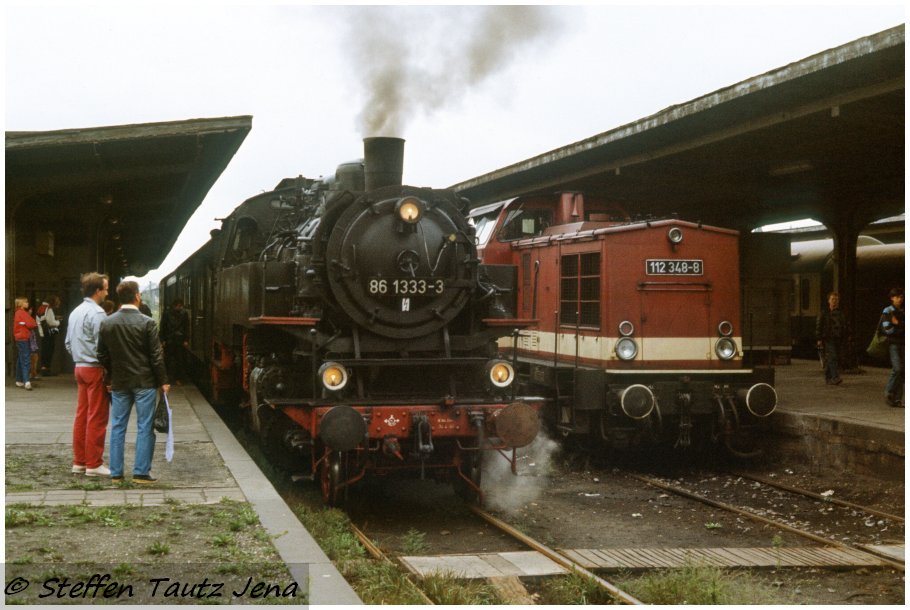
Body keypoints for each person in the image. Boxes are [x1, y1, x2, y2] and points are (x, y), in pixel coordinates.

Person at [98, 280, 170, 485]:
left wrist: (112, 373)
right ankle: (140, 473)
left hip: (120, 382)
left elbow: (101, 354)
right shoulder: (147, 322)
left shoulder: (107, 322)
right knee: (145, 426)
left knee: (118, 426)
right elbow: (156, 356)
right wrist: (163, 381)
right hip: (144, 382)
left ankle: (116, 474)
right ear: (137, 296)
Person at [64, 272, 111, 477]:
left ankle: (79, 461)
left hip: (79, 367)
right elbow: (105, 346)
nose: (107, 292)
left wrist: (79, 355)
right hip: (95, 368)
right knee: (97, 416)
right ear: (97, 290)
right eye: (106, 289)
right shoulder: (98, 313)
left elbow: (67, 343)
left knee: (81, 415)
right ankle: (94, 463)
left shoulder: (75, 311)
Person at [880, 287, 904, 408]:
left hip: (903, 344)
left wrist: (898, 324)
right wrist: (901, 328)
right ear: (892, 298)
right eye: (897, 297)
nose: (900, 299)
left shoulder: (903, 311)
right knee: (898, 368)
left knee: (903, 372)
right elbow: (887, 329)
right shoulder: (887, 311)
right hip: (893, 344)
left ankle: (897, 399)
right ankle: (889, 392)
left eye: (901, 297)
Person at [815, 291, 845, 385]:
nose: (835, 301)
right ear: (829, 301)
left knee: (831, 358)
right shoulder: (824, 313)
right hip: (828, 338)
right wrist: (819, 339)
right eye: (833, 299)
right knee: (833, 357)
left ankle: (828, 378)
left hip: (838, 338)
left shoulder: (841, 313)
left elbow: (844, 325)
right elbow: (819, 326)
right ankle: (835, 377)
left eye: (836, 300)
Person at [160, 298, 190, 384]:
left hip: (178, 340)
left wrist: (186, 339)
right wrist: (162, 339)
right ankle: (167, 379)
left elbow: (186, 327)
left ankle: (178, 378)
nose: (180, 308)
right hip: (170, 339)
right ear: (175, 306)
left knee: (179, 360)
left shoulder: (184, 314)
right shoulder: (166, 314)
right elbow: (163, 327)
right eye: (179, 306)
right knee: (167, 360)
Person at [12, 297, 37, 390]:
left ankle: (19, 380)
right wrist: (27, 323)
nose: (27, 303)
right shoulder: (22, 313)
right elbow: (32, 324)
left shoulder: (18, 313)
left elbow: (29, 323)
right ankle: (27, 381)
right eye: (26, 302)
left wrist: (25, 323)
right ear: (21, 304)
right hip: (23, 337)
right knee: (26, 359)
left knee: (20, 358)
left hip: (19, 337)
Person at [38, 296, 63, 376]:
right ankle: (46, 369)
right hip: (48, 332)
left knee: (45, 349)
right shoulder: (49, 309)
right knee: (49, 349)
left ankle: (44, 368)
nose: (58, 303)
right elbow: (51, 322)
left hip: (43, 332)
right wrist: (58, 322)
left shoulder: (42, 307)